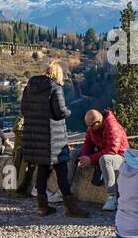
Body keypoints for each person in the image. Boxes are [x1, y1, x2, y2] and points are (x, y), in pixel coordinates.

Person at [19, 61, 88, 217]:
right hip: (53, 138)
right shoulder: (55, 87)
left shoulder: (29, 88)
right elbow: (60, 112)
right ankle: (71, 207)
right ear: (58, 74)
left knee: (42, 169)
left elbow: (24, 110)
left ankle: (42, 206)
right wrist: (69, 111)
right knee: (62, 170)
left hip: (36, 137)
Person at [76, 109, 128, 211]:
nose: (89, 128)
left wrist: (90, 159)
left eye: (91, 126)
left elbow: (112, 150)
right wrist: (84, 157)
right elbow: (88, 143)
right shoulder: (93, 127)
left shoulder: (113, 127)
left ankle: (112, 197)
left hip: (121, 157)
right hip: (104, 153)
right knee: (74, 154)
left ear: (99, 122)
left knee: (105, 159)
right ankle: (64, 193)